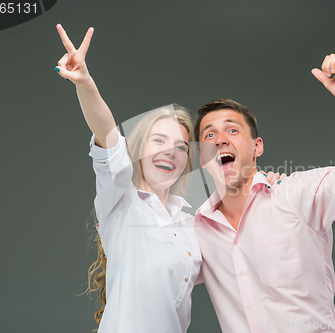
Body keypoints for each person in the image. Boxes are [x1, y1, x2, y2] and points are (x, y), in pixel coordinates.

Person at [54, 24, 283, 333]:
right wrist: (84, 83)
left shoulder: (190, 225)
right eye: (158, 141)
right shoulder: (121, 200)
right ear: (136, 149)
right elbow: (106, 133)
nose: (170, 152)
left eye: (180, 147)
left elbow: (239, 242)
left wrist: (266, 186)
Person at [192, 51, 335, 332]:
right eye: (209, 135)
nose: (220, 141)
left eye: (233, 131)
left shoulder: (297, 193)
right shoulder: (196, 231)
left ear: (257, 147)